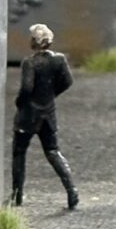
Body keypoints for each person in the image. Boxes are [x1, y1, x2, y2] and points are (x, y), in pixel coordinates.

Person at [12, 22, 78, 210]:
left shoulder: (30, 62)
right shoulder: (59, 60)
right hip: (48, 113)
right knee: (53, 151)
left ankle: (17, 195)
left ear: (34, 42)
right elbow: (67, 81)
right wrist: (50, 95)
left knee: (19, 152)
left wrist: (20, 102)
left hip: (28, 115)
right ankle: (71, 189)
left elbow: (27, 88)